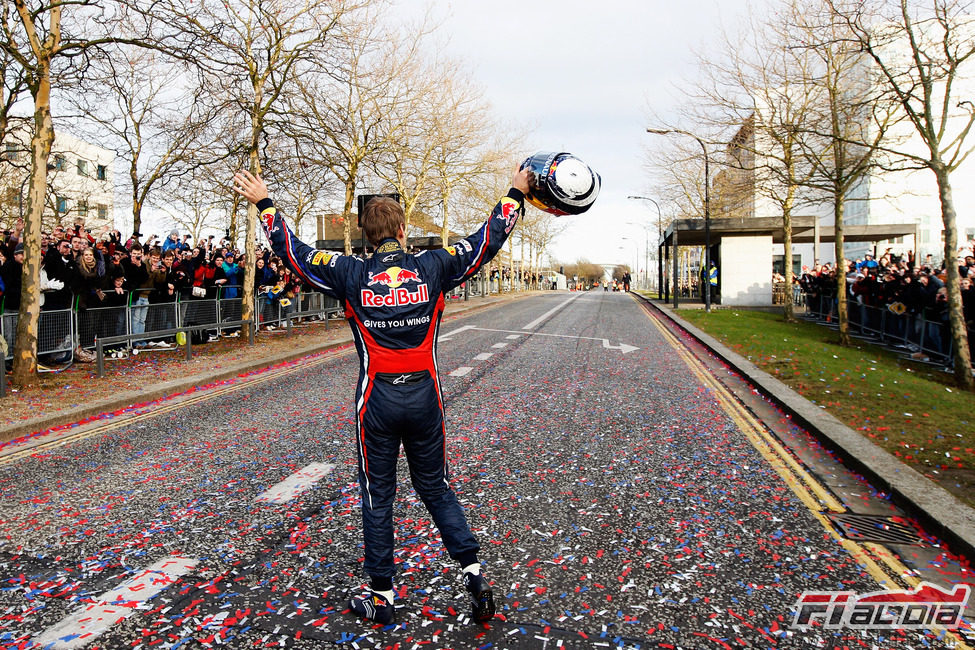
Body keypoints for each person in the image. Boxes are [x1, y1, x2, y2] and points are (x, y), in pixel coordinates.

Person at [233, 165, 531, 625]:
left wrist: (265, 203)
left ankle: (382, 594)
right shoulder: (435, 264)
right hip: (426, 395)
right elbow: (485, 240)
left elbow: (294, 253)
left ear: (365, 235)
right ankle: (472, 572)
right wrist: (518, 190)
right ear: (402, 229)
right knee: (435, 486)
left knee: (378, 494)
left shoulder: (349, 272)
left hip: (377, 399)